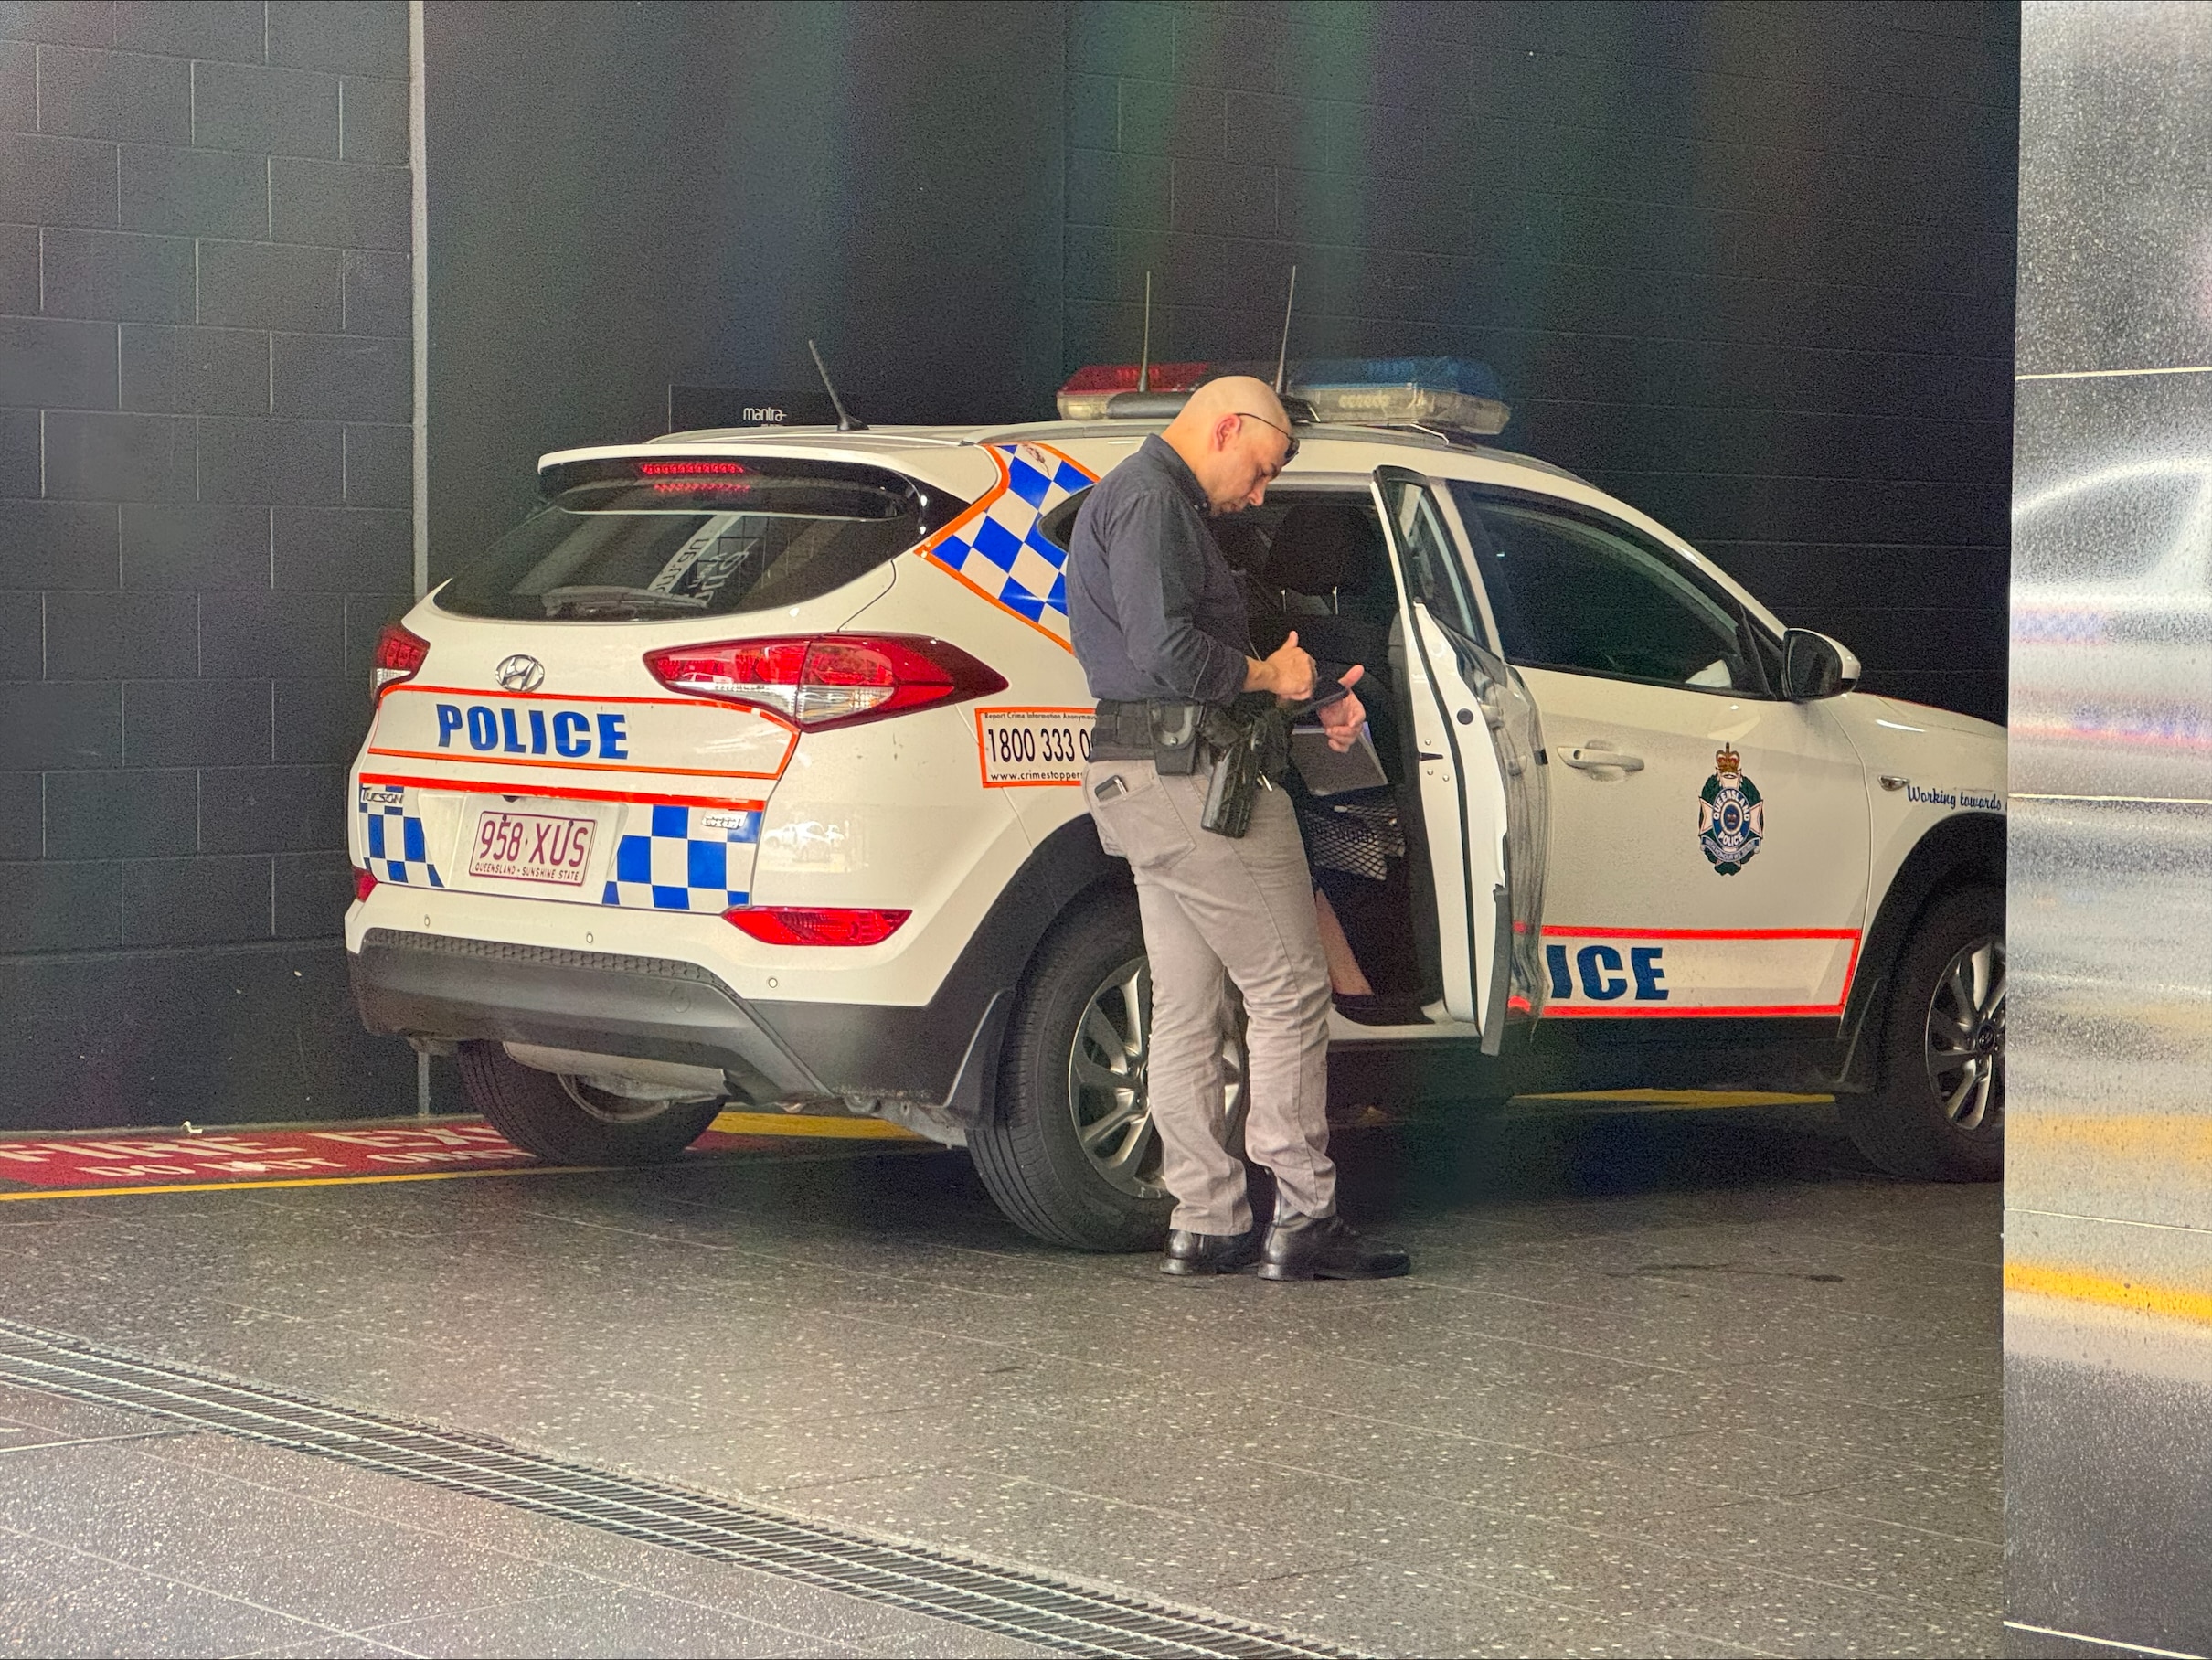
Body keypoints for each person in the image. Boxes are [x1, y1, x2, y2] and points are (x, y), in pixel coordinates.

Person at [1066, 374, 1412, 1282]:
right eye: (1258, 471)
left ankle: (1206, 1219)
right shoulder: (1150, 503)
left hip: (1144, 779)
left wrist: (1314, 680)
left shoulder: (1138, 502)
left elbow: (1200, 639)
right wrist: (1275, 682)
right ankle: (1302, 1214)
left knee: (1184, 1007)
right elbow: (1168, 653)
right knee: (1290, 985)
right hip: (1197, 778)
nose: (1255, 496)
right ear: (1226, 426)